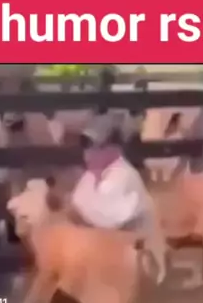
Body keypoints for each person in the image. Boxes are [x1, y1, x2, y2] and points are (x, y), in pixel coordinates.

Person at [69, 120, 167, 283]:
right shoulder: (93, 175)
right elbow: (77, 204)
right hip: (112, 249)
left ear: (113, 149)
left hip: (135, 250)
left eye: (95, 147)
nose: (88, 153)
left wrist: (81, 220)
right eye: (86, 147)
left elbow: (108, 218)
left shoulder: (122, 174)